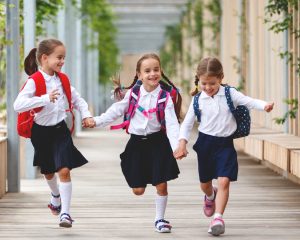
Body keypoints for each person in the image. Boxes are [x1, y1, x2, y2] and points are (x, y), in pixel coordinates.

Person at [174, 57, 274, 236]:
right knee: (205, 184)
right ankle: (210, 196)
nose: (208, 87)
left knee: (224, 181)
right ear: (199, 80)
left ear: (220, 78)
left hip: (225, 145)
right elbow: (187, 124)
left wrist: (264, 106)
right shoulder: (198, 100)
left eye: (212, 83)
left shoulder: (230, 94)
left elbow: (248, 101)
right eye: (204, 83)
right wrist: (182, 144)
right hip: (205, 144)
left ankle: (218, 218)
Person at [91, 53, 181, 233]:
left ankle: (160, 219)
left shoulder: (164, 97)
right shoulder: (134, 93)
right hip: (136, 144)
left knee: (161, 183)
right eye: (147, 71)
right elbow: (117, 110)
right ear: (139, 75)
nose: (152, 74)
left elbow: (171, 123)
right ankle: (138, 179)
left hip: (158, 143)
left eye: (156, 70)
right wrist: (97, 121)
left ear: (161, 71)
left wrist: (176, 146)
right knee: (138, 190)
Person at [14, 38, 95, 228]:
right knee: (48, 171)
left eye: (64, 58)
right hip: (40, 133)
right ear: (44, 58)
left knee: (64, 170)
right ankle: (55, 196)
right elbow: (18, 105)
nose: (62, 61)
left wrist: (87, 115)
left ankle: (65, 213)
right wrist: (44, 99)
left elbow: (79, 100)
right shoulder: (34, 81)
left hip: (60, 131)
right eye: (59, 57)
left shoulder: (63, 80)